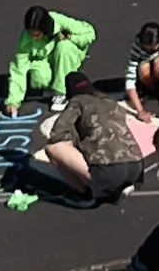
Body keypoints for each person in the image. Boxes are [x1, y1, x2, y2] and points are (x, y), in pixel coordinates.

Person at [35, 72, 148, 202]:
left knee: (53, 148)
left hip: (109, 171)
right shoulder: (110, 101)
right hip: (136, 167)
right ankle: (120, 185)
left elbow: (58, 134)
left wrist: (74, 141)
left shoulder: (78, 101)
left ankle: (84, 192)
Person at [5, 8, 97, 115]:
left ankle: (61, 92)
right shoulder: (26, 39)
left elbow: (90, 33)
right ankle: (52, 85)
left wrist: (70, 38)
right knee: (38, 77)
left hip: (66, 54)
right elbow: (18, 68)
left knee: (64, 47)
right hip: (46, 59)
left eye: (37, 35)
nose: (33, 38)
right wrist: (13, 101)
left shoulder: (59, 21)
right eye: (31, 34)